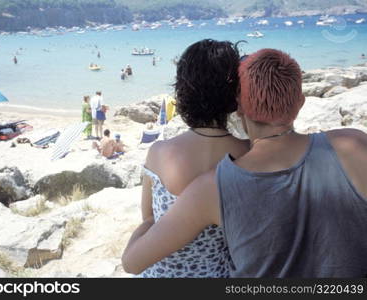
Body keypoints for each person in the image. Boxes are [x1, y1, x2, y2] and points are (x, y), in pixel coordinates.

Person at [122, 49, 367, 278]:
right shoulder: (353, 145)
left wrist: (147, 222)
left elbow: (132, 262)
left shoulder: (213, 187)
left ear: (239, 107)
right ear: (300, 103)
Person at [124, 39, 249, 278]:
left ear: (183, 92)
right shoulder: (250, 154)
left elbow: (149, 219)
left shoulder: (159, 153)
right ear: (234, 94)